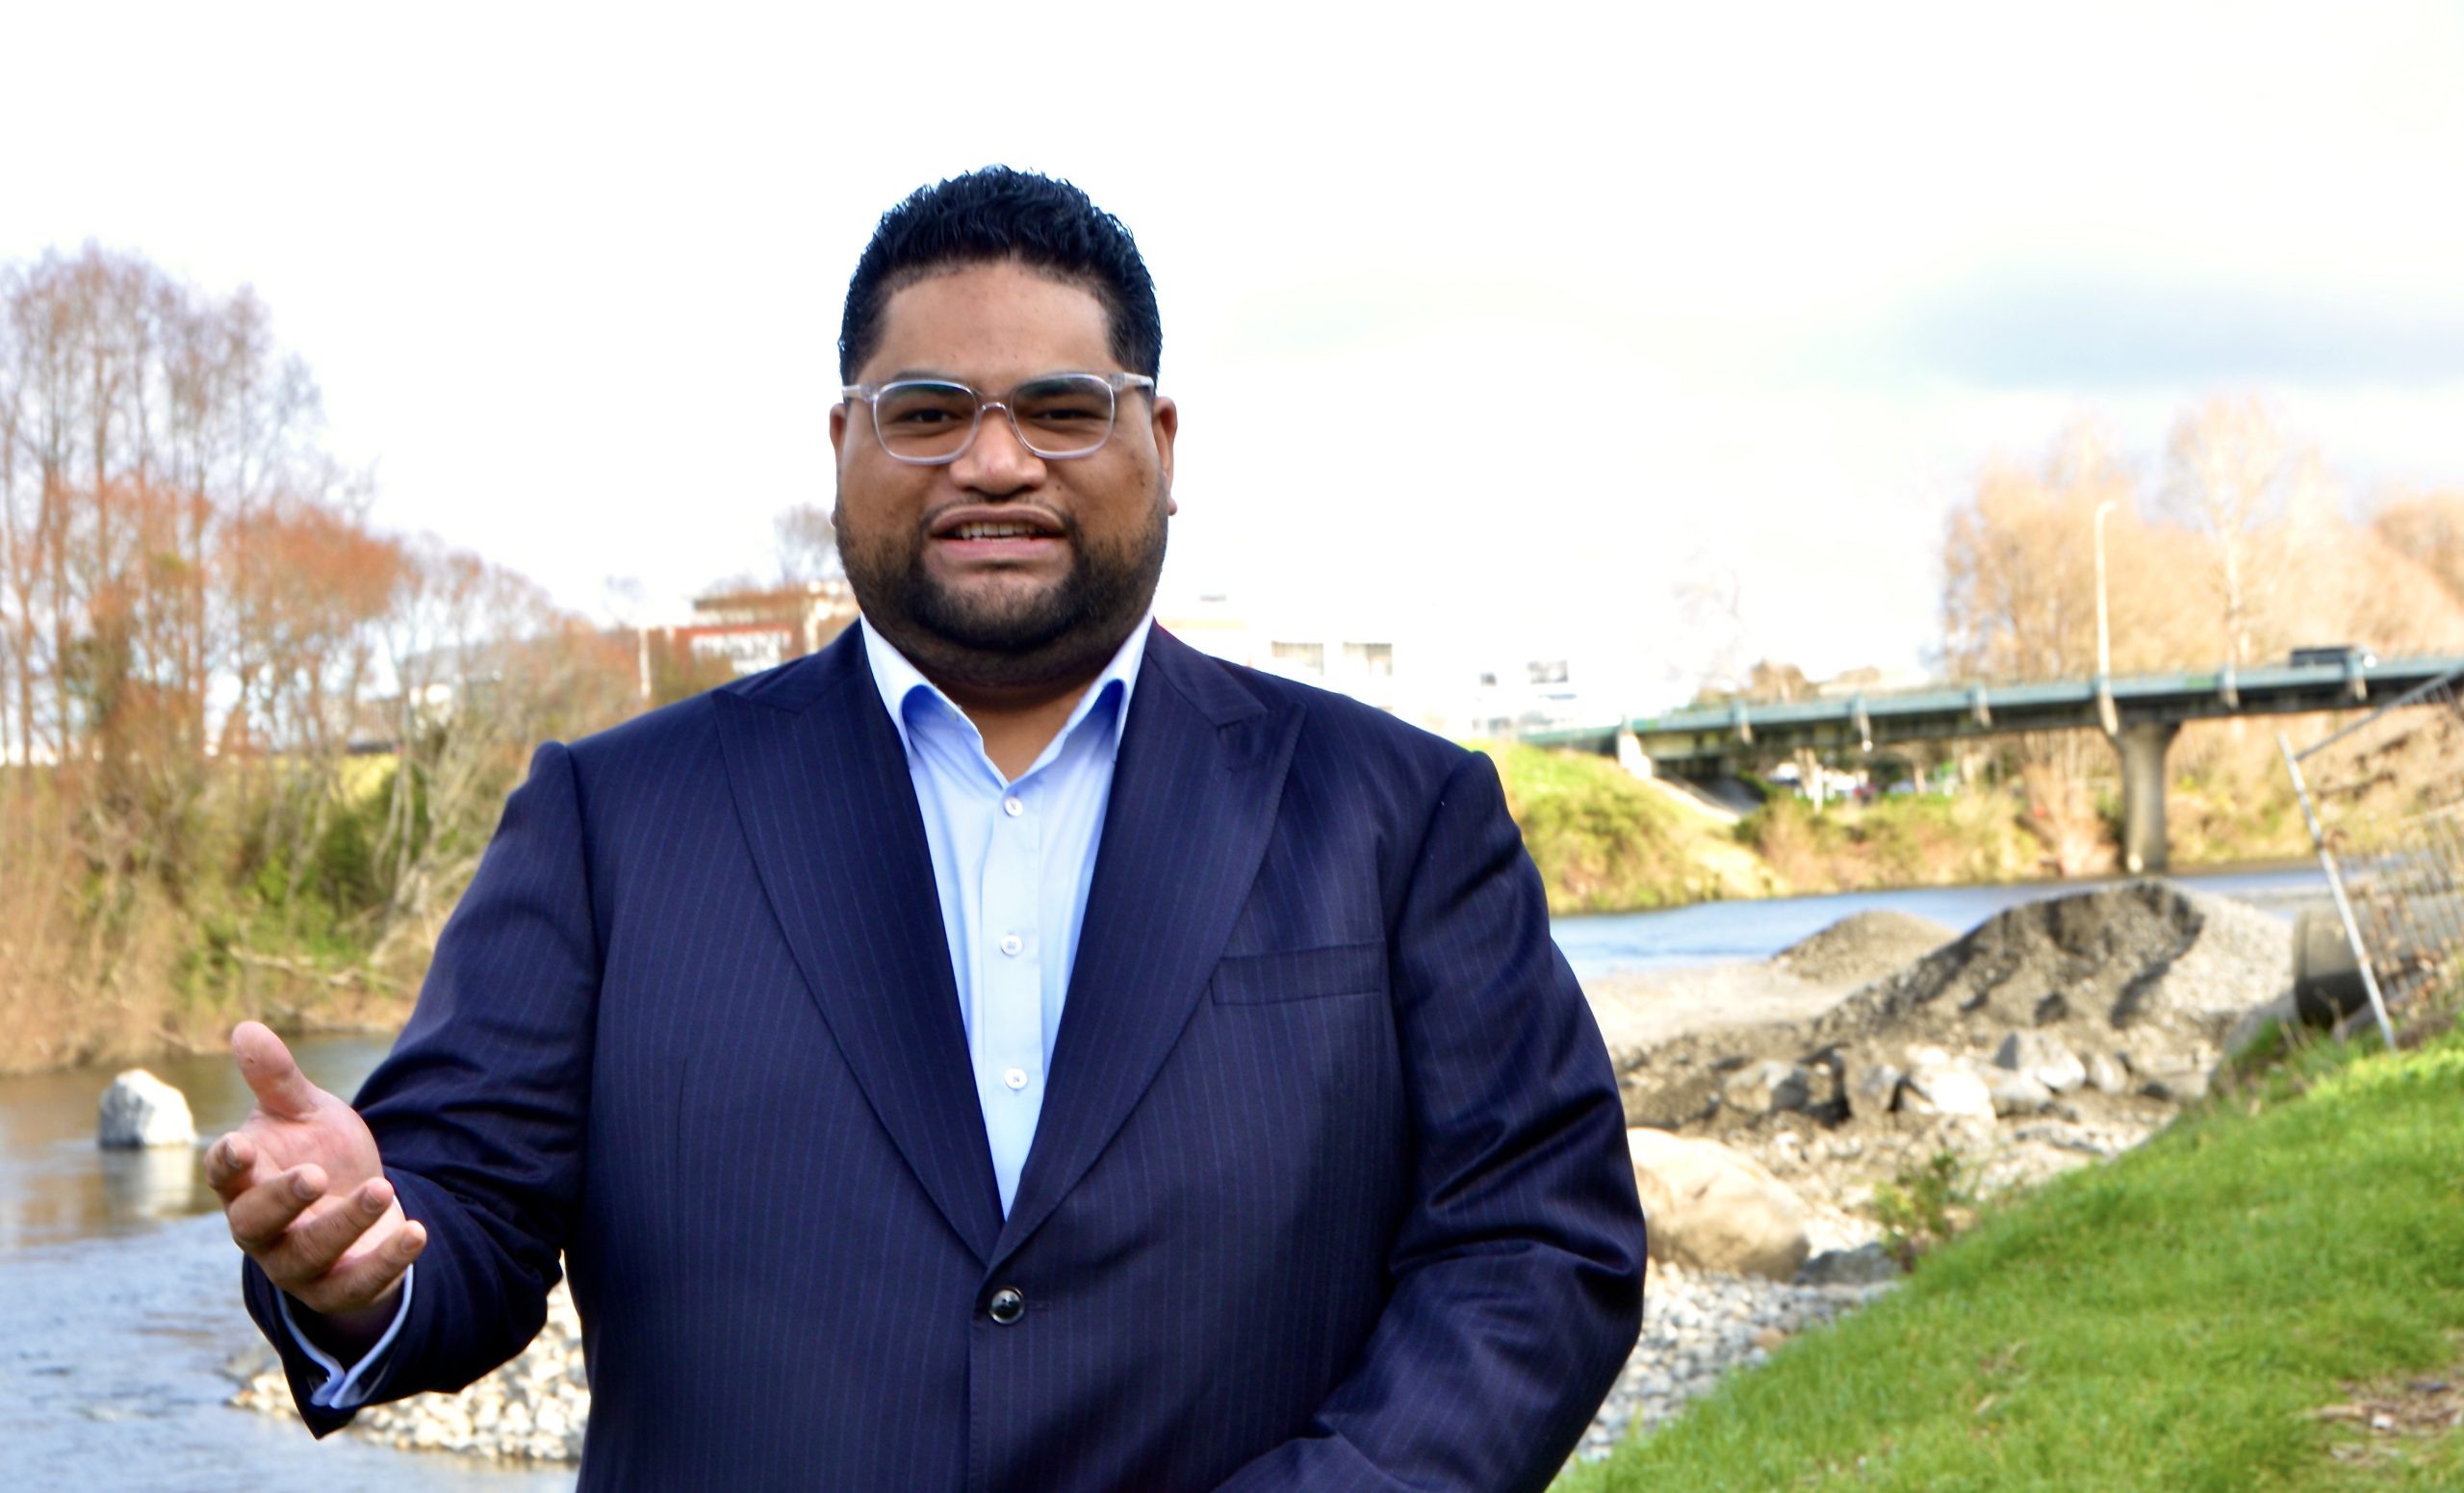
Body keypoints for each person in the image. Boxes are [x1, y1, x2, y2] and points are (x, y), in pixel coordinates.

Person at [211, 167, 1646, 1491]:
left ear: (1159, 441)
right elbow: (458, 1205)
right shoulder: (611, 821)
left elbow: (1535, 1239)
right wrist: (356, 1262)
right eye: (928, 411)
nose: (996, 462)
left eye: (1062, 409)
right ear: (845, 442)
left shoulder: (1398, 815)